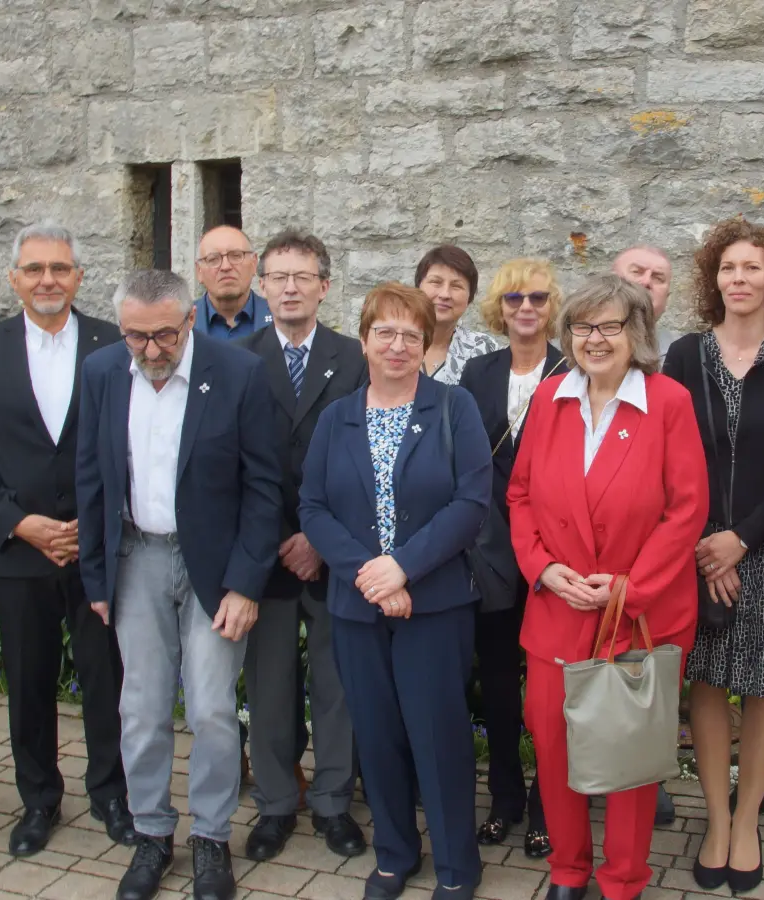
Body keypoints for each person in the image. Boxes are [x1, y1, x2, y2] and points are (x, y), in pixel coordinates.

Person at [75, 269, 283, 900]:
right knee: (139, 707)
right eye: (136, 337)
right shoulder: (103, 372)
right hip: (135, 557)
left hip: (215, 569)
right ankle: (152, 834)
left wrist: (247, 584)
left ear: (189, 319)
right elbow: (90, 475)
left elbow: (264, 486)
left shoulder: (238, 374)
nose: (152, 351)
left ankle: (212, 838)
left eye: (164, 335)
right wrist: (96, 573)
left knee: (213, 707)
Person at [508, 274, 708, 900]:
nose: (595, 339)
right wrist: (542, 568)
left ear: (636, 335)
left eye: (610, 326)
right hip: (558, 608)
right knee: (555, 746)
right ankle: (568, 872)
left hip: (638, 615)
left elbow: (687, 510)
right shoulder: (549, 400)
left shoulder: (668, 401)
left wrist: (628, 587)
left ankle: (623, 880)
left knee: (628, 757)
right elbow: (518, 495)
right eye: (583, 327)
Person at [298, 282, 492, 900]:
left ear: (426, 342)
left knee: (437, 734)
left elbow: (471, 504)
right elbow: (314, 507)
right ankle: (394, 853)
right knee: (376, 735)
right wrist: (373, 576)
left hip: (435, 604)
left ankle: (458, 863)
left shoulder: (454, 408)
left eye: (412, 334)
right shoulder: (338, 417)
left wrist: (403, 569)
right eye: (385, 332)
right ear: (364, 341)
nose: (398, 345)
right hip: (358, 607)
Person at [0, 222, 135, 858]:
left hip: (96, 545)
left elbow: (131, 440)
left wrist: (94, 519)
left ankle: (111, 794)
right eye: (34, 269)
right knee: (28, 680)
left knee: (106, 675)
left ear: (79, 277)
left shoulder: (113, 346)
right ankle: (38, 800)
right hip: (19, 547)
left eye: (60, 268)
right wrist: (18, 522)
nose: (47, 279)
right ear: (14, 278)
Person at [662, 218, 764, 894]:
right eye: (729, 268)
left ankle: (749, 819)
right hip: (694, 551)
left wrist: (741, 540)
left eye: (753, 268)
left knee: (763, 688)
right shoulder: (683, 355)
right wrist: (705, 546)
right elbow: (667, 461)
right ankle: (716, 817)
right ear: (713, 278)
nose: (740, 279)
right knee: (705, 681)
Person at [236, 231, 369, 862]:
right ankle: (275, 805)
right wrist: (274, 540)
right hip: (263, 556)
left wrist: (318, 538)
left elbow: (370, 463)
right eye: (278, 276)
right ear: (261, 286)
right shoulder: (232, 359)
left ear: (325, 285)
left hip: (334, 552)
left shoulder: (355, 359)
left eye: (302, 276)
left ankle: (334, 804)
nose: (290, 287)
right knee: (269, 683)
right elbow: (226, 467)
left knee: (336, 682)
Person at [457, 258, 566, 859]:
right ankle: (504, 796)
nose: (526, 308)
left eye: (538, 298)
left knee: (550, 689)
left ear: (553, 307)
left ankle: (550, 804)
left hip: (553, 551)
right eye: (515, 298)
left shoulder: (573, 369)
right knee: (498, 682)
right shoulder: (477, 372)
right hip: (493, 549)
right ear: (499, 308)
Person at [609, 243, 683, 827]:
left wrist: (633, 584)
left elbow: (684, 500)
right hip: (577, 586)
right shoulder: (565, 383)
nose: (647, 284)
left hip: (648, 589)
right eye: (637, 272)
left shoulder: (671, 379)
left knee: (640, 707)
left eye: (659, 278)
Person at [416, 244, 502, 384]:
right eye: (436, 282)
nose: (445, 294)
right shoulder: (395, 340)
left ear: (470, 297)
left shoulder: (484, 349)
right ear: (418, 287)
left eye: (456, 286)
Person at [192, 225, 270, 340]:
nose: (226, 267)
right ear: (199, 271)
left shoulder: (280, 319)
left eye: (236, 256)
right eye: (213, 259)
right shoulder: (182, 323)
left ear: (254, 263)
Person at [612, 245, 679, 361]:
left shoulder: (685, 356)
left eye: (658, 278)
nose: (646, 281)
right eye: (636, 272)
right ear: (610, 282)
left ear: (667, 297)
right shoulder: (578, 347)